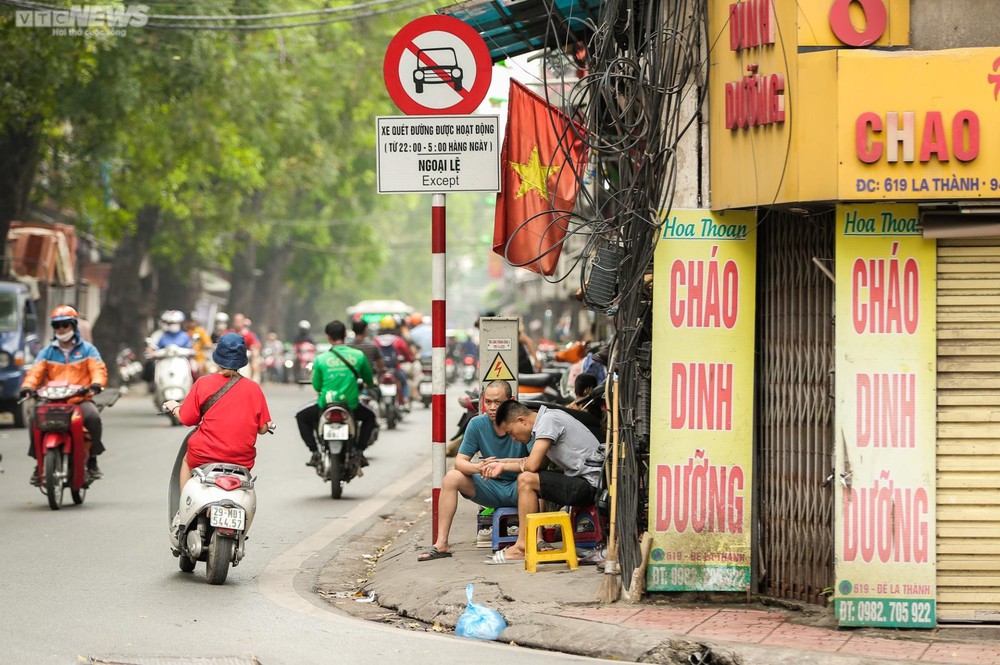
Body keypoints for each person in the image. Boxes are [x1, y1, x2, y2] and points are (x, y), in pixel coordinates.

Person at [417, 380, 532, 562]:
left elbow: (535, 463)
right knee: (452, 477)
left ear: (511, 401)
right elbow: (460, 462)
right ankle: (442, 544)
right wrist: (479, 468)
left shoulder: (522, 422)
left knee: (533, 478)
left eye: (499, 402)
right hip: (490, 486)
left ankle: (536, 540)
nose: (493, 407)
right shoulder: (477, 424)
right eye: (488, 402)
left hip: (521, 488)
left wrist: (503, 465)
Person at [484, 400, 602, 564]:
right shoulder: (547, 419)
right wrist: (500, 463)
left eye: (511, 432)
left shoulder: (548, 421)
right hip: (582, 482)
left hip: (590, 484)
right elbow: (537, 463)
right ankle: (525, 544)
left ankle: (522, 546)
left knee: (526, 480)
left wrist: (503, 466)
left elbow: (531, 466)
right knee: (528, 478)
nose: (513, 438)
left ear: (521, 421)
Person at [163, 333, 272, 493]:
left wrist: (174, 407)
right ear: (242, 360)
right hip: (241, 460)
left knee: (186, 461)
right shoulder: (253, 388)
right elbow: (262, 428)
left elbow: (187, 419)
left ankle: (183, 508)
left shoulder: (203, 383)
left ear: (217, 358)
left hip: (204, 455)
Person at [21, 305, 108, 482]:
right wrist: (28, 387)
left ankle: (92, 460)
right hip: (52, 401)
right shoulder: (47, 351)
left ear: (74, 326)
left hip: (79, 400)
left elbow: (98, 369)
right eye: (57, 325)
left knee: (93, 417)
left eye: (65, 325)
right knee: (33, 419)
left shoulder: (88, 350)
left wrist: (97, 384)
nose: (61, 329)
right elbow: (35, 372)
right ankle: (39, 464)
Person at [295, 320, 377, 468]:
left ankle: (314, 452)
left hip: (325, 405)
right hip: (351, 405)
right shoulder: (358, 355)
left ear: (328, 337)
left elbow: (317, 386)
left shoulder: (321, 359)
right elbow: (369, 380)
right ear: (345, 334)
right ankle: (359, 451)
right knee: (370, 417)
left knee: (301, 416)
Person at [374, 314, 414, 407]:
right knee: (404, 382)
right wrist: (410, 359)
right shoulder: (398, 340)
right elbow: (407, 354)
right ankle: (405, 400)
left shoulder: (376, 340)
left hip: (381, 370)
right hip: (396, 370)